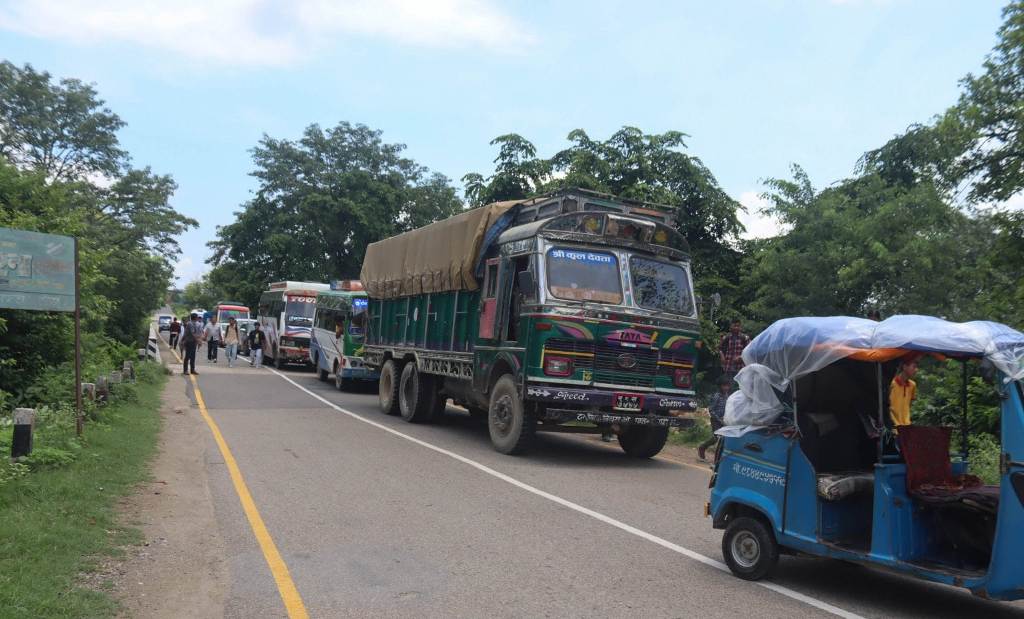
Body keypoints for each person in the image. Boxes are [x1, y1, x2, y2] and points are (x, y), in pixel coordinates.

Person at [698, 375, 731, 462]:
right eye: (724, 386)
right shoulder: (717, 396)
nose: (726, 388)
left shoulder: (727, 396)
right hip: (715, 419)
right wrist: (718, 419)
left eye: (727, 385)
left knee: (721, 438)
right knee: (717, 438)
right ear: (720, 386)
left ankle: (718, 458)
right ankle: (702, 448)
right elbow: (711, 410)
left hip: (723, 420)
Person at [889, 356, 919, 430]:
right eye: (914, 367)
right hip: (893, 425)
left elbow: (910, 404)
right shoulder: (891, 384)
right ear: (905, 367)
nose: (916, 370)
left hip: (907, 425)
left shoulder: (912, 385)